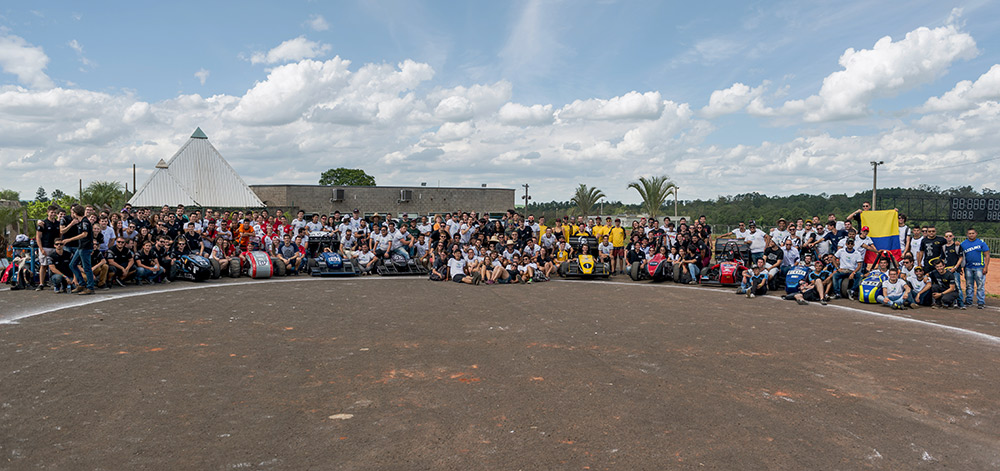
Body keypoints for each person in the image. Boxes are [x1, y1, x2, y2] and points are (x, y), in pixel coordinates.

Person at [62, 205, 96, 295]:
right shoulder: (80, 222)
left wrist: (70, 239)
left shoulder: (85, 222)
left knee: (86, 267)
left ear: (76, 213)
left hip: (85, 247)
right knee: (72, 264)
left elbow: (84, 234)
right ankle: (81, 284)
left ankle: (90, 287)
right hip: (81, 247)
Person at [960, 227, 990, 309]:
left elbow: (987, 255)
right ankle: (969, 300)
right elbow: (961, 256)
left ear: (976, 234)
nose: (971, 235)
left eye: (973, 233)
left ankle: (981, 302)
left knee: (980, 285)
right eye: (969, 233)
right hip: (968, 267)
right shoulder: (963, 244)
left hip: (979, 267)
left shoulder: (981, 243)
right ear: (967, 234)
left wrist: (986, 267)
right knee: (969, 285)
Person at [941, 231, 965, 309]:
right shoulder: (944, 247)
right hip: (947, 269)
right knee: (950, 286)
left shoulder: (957, 246)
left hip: (955, 269)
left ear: (953, 236)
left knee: (957, 286)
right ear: (945, 237)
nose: (948, 238)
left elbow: (960, 258)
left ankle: (960, 303)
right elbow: (942, 258)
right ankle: (952, 302)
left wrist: (955, 267)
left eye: (950, 236)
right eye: (947, 236)